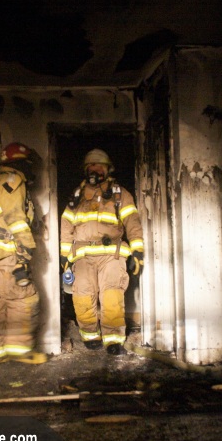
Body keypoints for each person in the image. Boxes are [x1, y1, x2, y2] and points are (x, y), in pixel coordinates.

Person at [59, 148, 144, 355]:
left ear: (107, 169)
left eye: (99, 165)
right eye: (90, 165)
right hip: (83, 256)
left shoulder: (119, 195)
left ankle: (113, 339)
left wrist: (137, 251)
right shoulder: (77, 196)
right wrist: (64, 255)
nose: (94, 169)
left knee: (112, 295)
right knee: (82, 295)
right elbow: (66, 225)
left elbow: (132, 223)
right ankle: (90, 335)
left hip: (111, 254)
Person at [0, 142, 46, 364]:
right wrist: (26, 251)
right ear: (22, 163)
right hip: (6, 254)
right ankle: (20, 351)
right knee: (24, 299)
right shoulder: (13, 180)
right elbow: (15, 218)